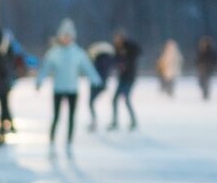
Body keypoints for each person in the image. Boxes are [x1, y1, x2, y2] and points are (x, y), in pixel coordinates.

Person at [36, 18, 101, 150]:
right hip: (58, 89)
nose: (66, 38)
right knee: (56, 116)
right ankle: (52, 139)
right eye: (64, 36)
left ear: (73, 37)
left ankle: (69, 140)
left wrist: (96, 80)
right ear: (60, 36)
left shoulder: (78, 53)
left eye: (69, 36)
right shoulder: (54, 53)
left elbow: (88, 68)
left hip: (72, 89)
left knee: (71, 116)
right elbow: (45, 68)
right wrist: (39, 81)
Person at [110, 30, 141, 131]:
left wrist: (127, 46)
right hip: (122, 78)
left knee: (126, 99)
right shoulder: (117, 49)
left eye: (119, 38)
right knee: (114, 100)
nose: (117, 40)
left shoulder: (130, 47)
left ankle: (133, 121)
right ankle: (115, 122)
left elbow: (139, 51)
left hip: (130, 77)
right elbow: (115, 61)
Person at [86, 41, 115, 132]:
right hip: (100, 84)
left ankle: (94, 121)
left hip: (97, 84)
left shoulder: (99, 60)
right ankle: (94, 121)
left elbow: (96, 71)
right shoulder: (107, 60)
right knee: (91, 103)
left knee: (91, 103)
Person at [196, 36, 217, 101]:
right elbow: (197, 60)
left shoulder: (211, 51)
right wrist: (199, 65)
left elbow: (215, 60)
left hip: (209, 70)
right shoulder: (201, 51)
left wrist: (210, 65)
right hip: (201, 70)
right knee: (201, 82)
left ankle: (206, 95)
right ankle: (204, 94)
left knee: (207, 82)